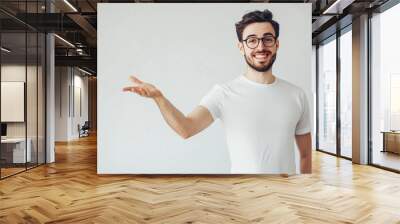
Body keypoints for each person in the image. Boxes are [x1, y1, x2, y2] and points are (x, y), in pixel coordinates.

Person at [123, 9, 312, 174]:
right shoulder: (223, 93)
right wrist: (159, 98)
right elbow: (186, 129)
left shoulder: (296, 95)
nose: (261, 47)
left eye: (267, 39)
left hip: (286, 198)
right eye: (252, 40)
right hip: (242, 197)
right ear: (241, 47)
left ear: (276, 44)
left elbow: (305, 155)